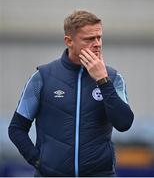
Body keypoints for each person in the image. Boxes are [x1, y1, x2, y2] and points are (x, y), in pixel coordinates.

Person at [8, 10, 134, 177]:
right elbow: (16, 129)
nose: (97, 44)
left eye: (99, 37)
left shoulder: (112, 78)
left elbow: (124, 124)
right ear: (69, 41)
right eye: (89, 39)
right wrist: (38, 161)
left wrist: (102, 80)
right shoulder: (43, 77)